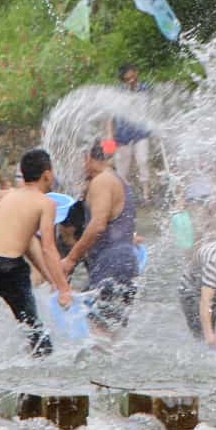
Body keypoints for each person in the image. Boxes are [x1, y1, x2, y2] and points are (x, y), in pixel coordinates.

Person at [0, 149, 72, 361]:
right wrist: (64, 289)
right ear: (47, 175)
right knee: (33, 329)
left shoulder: (10, 195)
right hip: (10, 268)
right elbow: (48, 248)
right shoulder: (46, 202)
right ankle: (44, 369)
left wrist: (51, 280)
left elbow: (29, 245)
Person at [59, 143, 140, 339]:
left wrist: (70, 259)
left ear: (87, 157)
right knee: (110, 333)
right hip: (126, 262)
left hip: (111, 262)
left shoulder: (102, 181)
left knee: (98, 333)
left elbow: (97, 225)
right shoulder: (121, 181)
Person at [107, 64, 154, 205]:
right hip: (122, 135)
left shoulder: (145, 90)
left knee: (143, 160)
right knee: (122, 169)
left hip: (141, 132)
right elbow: (109, 115)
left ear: (137, 73)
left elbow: (152, 109)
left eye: (133, 77)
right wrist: (109, 134)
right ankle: (122, 198)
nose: (131, 81)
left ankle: (146, 195)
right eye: (128, 79)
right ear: (122, 81)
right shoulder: (117, 93)